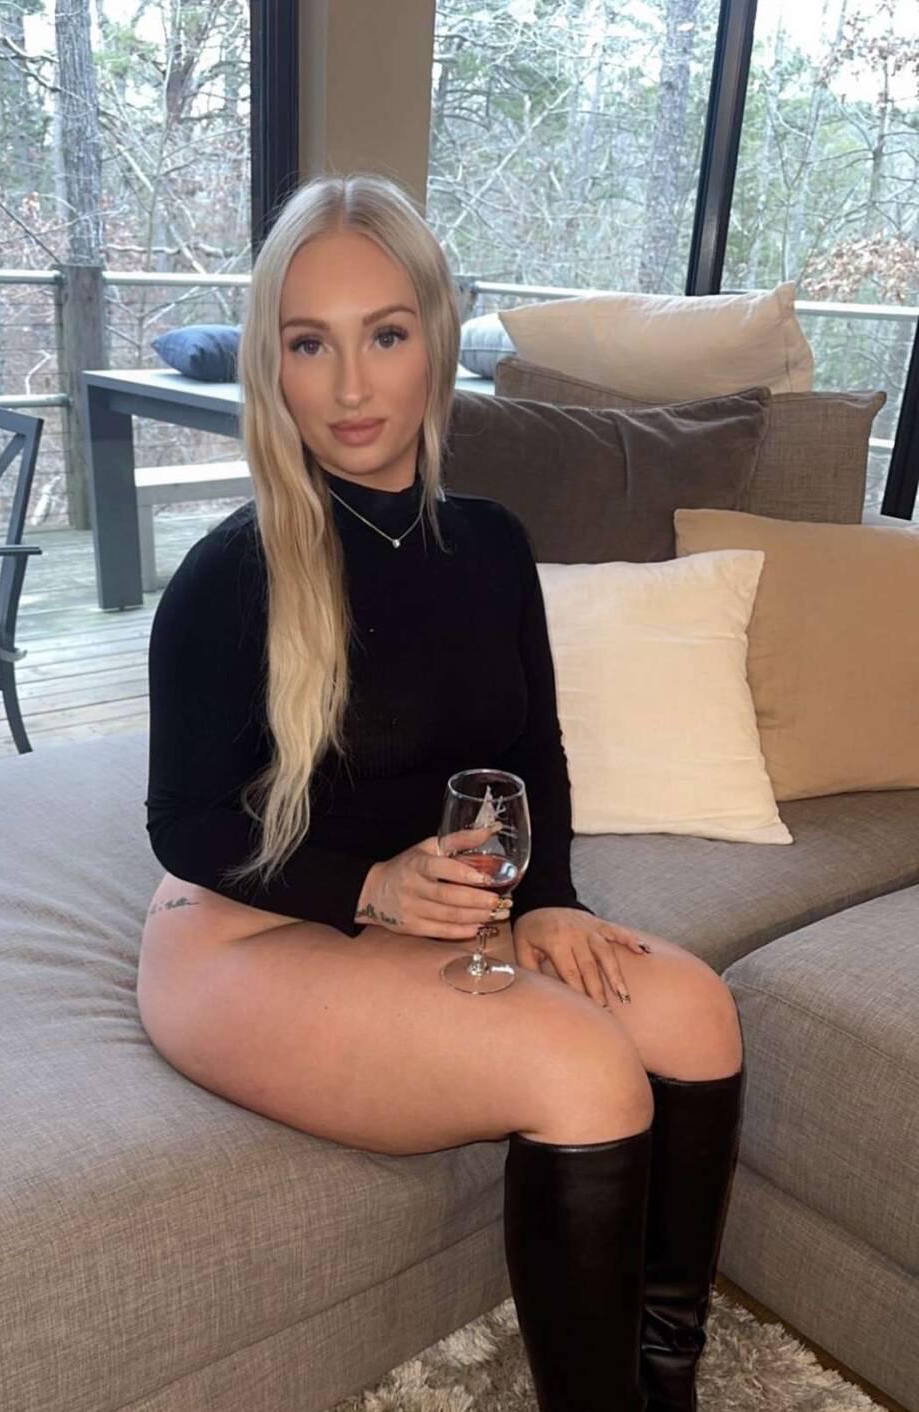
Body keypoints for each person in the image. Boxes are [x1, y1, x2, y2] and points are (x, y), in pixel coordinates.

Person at [136, 171, 746, 1412]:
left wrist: (552, 893)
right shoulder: (229, 574)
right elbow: (183, 822)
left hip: (436, 913)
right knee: (583, 1068)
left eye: (385, 335)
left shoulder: (491, 541)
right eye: (309, 343)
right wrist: (369, 884)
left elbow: (536, 749)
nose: (349, 387)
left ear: (436, 340)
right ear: (271, 364)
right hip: (250, 929)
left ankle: (661, 1382)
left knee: (697, 1016)